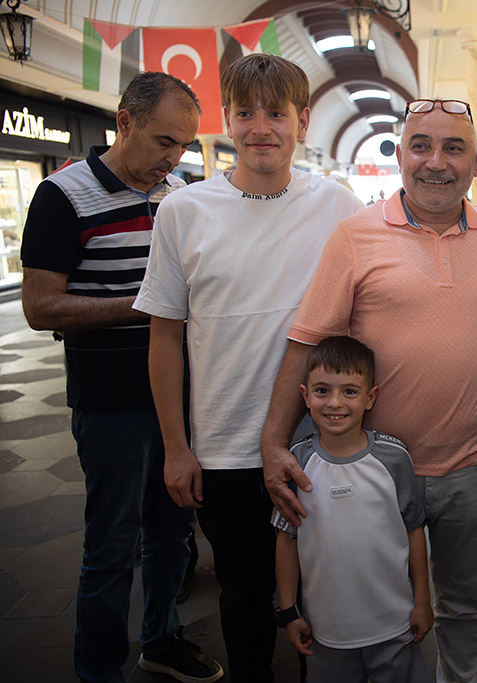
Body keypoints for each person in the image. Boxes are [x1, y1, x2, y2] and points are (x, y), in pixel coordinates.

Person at [260, 97, 477, 683]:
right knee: (374, 609)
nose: (436, 161)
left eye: (453, 147)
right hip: (368, 470)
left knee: (463, 606)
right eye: (421, 145)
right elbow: (307, 344)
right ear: (400, 155)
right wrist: (273, 444)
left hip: (475, 467)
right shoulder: (355, 237)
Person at [133, 54, 363, 682]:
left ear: (303, 121)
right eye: (245, 112)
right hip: (224, 448)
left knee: (326, 591)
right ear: (226, 122)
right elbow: (164, 335)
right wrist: (177, 448)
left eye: (276, 113)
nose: (261, 126)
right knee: (242, 597)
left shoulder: (337, 205)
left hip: (320, 443)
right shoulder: (184, 211)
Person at [19, 72, 223, 683]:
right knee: (110, 544)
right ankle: (99, 667)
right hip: (111, 402)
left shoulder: (178, 194)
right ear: (124, 122)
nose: (173, 158)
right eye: (164, 141)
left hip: (184, 398)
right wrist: (147, 304)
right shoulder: (62, 196)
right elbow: (40, 306)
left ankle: (160, 638)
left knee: (171, 532)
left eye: (184, 146)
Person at [273, 336, 433, 683]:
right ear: (305, 396)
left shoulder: (394, 459)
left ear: (370, 397)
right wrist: (288, 611)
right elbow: (286, 540)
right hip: (327, 631)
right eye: (322, 391)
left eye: (349, 391)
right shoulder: (298, 462)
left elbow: (414, 530)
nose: (335, 403)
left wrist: (423, 600)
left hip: (394, 624)